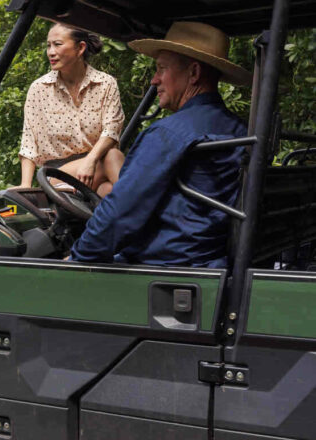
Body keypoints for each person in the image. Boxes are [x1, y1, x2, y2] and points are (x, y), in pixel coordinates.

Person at [69, 21, 251, 268]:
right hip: (211, 261)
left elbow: (120, 214)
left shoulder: (168, 134)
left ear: (194, 73)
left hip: (165, 270)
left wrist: (77, 259)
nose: (154, 80)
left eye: (161, 69)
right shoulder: (239, 129)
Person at [18, 23, 125, 196]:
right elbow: (29, 142)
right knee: (112, 156)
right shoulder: (39, 88)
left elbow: (112, 130)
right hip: (57, 175)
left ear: (80, 48)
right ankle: (147, 213)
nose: (51, 52)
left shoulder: (105, 83)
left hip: (95, 167)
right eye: (48, 45)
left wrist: (91, 160)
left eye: (57, 44)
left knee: (109, 190)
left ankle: (131, 216)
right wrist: (25, 186)